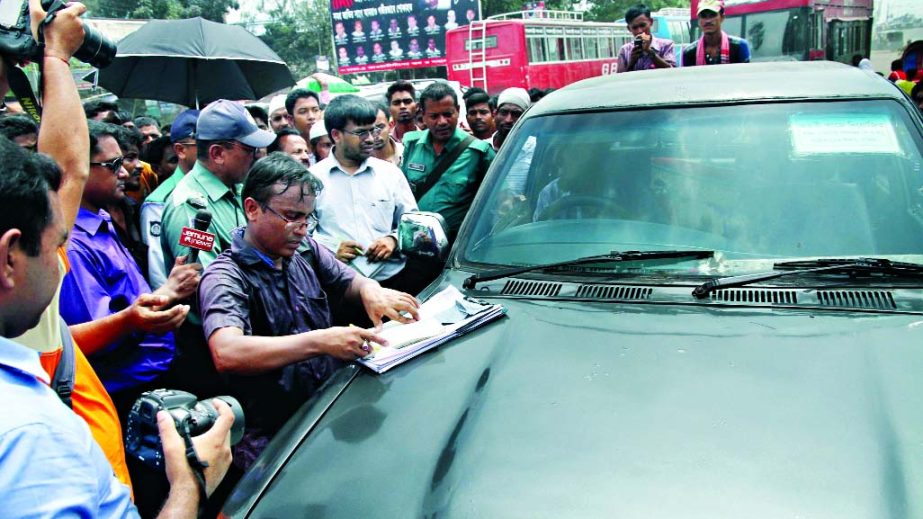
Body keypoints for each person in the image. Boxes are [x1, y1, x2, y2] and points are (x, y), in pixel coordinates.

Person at [0, 3, 233, 516]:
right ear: (9, 258)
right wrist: (189, 486)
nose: (59, 259)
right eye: (52, 240)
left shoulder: (23, 340)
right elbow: (68, 171)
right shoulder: (28, 437)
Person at [199, 152, 421, 469]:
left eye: (308, 218)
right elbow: (227, 351)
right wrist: (321, 342)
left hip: (326, 411)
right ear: (252, 209)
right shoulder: (225, 277)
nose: (302, 229)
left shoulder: (304, 249)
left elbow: (348, 279)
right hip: (273, 437)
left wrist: (373, 292)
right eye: (291, 217)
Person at [61, 121, 200, 413]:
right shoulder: (73, 245)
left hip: (158, 375)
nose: (124, 172)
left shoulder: (103, 221)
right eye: (112, 165)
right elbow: (97, 337)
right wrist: (155, 305)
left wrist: (168, 290)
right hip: (126, 392)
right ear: (78, 168)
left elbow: (128, 302)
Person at [310, 96, 420, 291]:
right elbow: (301, 233)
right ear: (336, 135)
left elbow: (413, 223)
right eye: (361, 133)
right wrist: (330, 249)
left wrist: (393, 240)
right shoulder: (312, 179)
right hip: (339, 287)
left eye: (373, 130)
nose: (371, 138)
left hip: (393, 283)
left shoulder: (390, 173)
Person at [162, 100, 275, 272]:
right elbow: (208, 285)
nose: (256, 155)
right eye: (248, 149)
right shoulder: (190, 208)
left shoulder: (237, 187)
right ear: (218, 154)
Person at [401, 82, 495, 240]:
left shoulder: (479, 152)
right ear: (422, 115)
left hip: (457, 247)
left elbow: (494, 204)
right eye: (434, 116)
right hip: (416, 243)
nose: (442, 122)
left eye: (448, 114)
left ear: (458, 111)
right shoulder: (411, 146)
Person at [140, 109, 199, 289]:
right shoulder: (159, 202)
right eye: (203, 143)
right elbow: (158, 269)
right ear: (181, 150)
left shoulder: (228, 186)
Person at [682, 0, 750, 66]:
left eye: (712, 15)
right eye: (703, 16)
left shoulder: (739, 47)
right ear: (699, 20)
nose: (708, 21)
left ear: (722, 17)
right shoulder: (689, 52)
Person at [617, 4, 675, 72]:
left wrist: (649, 52)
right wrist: (632, 62)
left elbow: (672, 71)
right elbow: (619, 79)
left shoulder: (666, 45)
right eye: (635, 27)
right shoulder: (625, 50)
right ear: (629, 29)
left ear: (651, 22)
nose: (640, 31)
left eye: (642, 25)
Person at [491, 87, 530, 151]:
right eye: (504, 112)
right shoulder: (485, 147)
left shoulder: (533, 149)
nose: (508, 120)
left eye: (516, 114)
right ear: (495, 114)